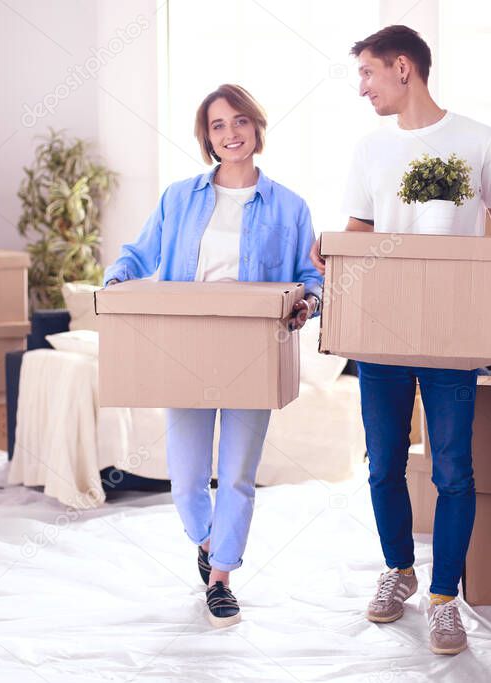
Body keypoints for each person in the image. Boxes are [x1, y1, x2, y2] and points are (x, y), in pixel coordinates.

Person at [310, 26, 491, 656]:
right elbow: (359, 230)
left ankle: (444, 601)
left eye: (367, 74)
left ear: (403, 68)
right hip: (381, 333)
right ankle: (398, 570)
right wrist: (330, 249)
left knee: (453, 470)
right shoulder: (369, 150)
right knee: (383, 463)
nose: (361, 87)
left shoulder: (478, 140)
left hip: (452, 333)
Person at [105, 84, 323, 628]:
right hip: (185, 346)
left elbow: (311, 276)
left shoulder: (291, 206)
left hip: (253, 351)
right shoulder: (179, 197)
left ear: (257, 126)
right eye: (218, 125)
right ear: (207, 137)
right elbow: (140, 252)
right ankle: (207, 541)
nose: (231, 133)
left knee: (238, 475)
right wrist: (115, 279)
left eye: (239, 121)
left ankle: (222, 577)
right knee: (186, 476)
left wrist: (309, 303)